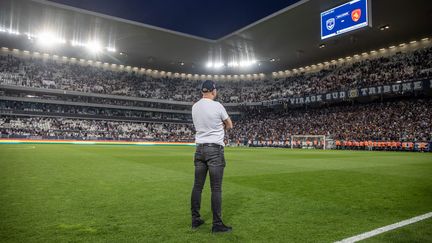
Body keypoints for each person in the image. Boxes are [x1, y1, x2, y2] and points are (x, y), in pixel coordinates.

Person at [190, 80, 233, 233]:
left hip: (199, 149)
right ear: (213, 91)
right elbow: (229, 124)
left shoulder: (195, 106)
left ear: (202, 91)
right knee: (216, 188)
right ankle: (217, 224)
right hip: (214, 149)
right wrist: (221, 127)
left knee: (197, 187)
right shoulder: (217, 105)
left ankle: (195, 220)